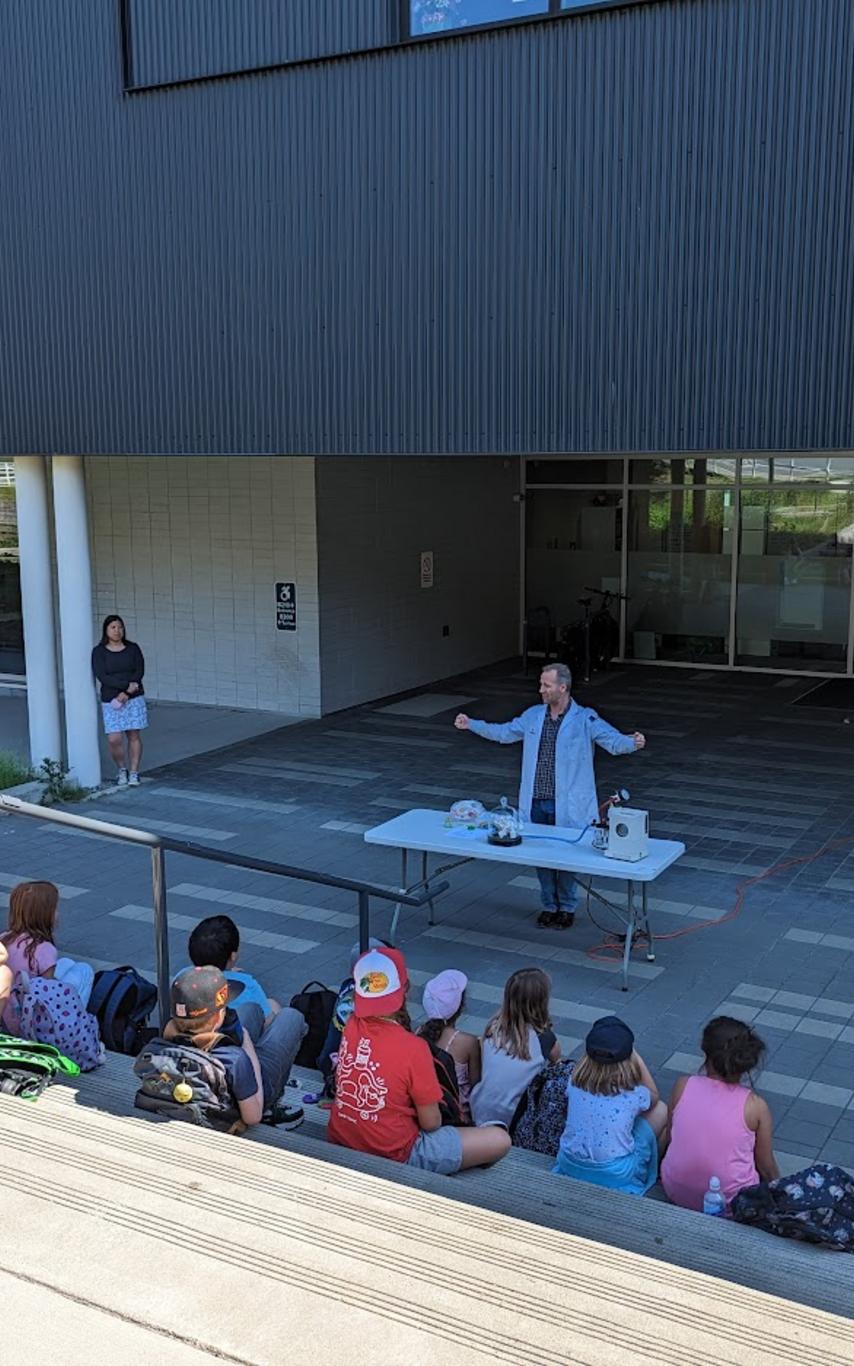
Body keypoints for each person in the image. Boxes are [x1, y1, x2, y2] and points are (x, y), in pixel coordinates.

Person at [455, 664, 645, 929]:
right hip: (536, 801)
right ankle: (548, 904)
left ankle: (567, 906)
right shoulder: (533, 716)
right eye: (541, 684)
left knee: (565, 856)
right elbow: (504, 733)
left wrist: (631, 742)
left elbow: (611, 741)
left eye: (546, 685)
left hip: (566, 803)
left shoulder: (584, 718)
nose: (541, 689)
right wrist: (471, 724)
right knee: (540, 854)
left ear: (563, 687)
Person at [327, 945, 510, 1174]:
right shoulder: (414, 1048)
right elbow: (431, 1123)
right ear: (406, 990)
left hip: (342, 1136)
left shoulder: (352, 1025)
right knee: (500, 1139)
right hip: (396, 1152)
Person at [661, 1016, 780, 1212]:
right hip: (730, 1202)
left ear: (704, 1049)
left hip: (676, 1189)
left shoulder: (683, 1085)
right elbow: (766, 1165)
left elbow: (672, 1135)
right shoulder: (756, 1106)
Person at [165, 965, 306, 1128]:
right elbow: (252, 1118)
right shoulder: (236, 1060)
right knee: (292, 1017)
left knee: (251, 1009)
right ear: (218, 1017)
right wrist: (247, 1048)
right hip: (252, 1095)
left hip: (210, 1071)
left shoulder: (162, 1043)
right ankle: (272, 1107)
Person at [552, 1015, 667, 1195]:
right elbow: (654, 1096)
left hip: (570, 1164)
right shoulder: (632, 1094)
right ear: (628, 1058)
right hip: (614, 1174)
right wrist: (635, 1054)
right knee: (661, 1110)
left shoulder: (574, 1082)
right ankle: (652, 1167)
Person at [469, 967, 560, 1129]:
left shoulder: (494, 1027)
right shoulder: (545, 1038)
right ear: (542, 1002)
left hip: (478, 1109)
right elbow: (557, 1060)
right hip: (512, 1120)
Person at [0, 880, 95, 1027]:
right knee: (85, 970)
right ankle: (75, 1021)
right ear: (44, 914)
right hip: (30, 1020)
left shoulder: (4, 938)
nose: (57, 913)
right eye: (55, 909)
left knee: (67, 963)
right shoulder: (44, 948)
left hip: (7, 1011)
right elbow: (49, 994)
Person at [184, 914, 281, 1026]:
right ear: (233, 956)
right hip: (241, 1037)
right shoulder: (246, 983)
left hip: (198, 1034)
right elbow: (268, 1019)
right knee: (274, 1005)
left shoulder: (182, 977)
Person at [417, 969, 481, 1123]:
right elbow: (476, 1087)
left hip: (428, 1112)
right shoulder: (468, 1042)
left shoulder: (418, 1033)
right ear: (461, 1007)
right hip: (458, 1117)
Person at [91, 614, 147, 786]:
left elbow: (139, 671)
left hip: (133, 698)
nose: (117, 631)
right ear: (106, 630)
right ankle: (122, 769)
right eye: (113, 627)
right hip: (111, 699)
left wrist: (128, 692)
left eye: (120, 627)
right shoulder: (99, 652)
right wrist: (125, 688)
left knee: (133, 734)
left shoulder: (133, 648)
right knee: (114, 738)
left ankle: (134, 772)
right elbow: (102, 676)